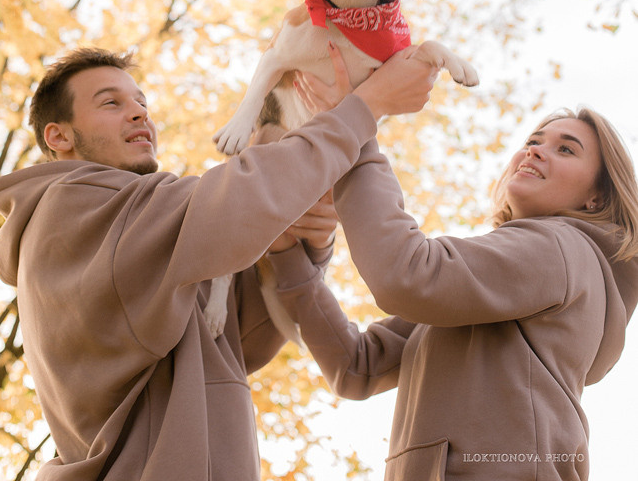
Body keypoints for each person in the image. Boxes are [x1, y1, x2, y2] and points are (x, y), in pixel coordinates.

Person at [0, 44, 436, 481]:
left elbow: (240, 338)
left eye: (140, 101)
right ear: (58, 136)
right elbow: (240, 195)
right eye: (111, 103)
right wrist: (363, 105)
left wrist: (300, 245)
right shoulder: (72, 212)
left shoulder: (131, 243)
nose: (140, 112)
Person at [265, 46, 638, 480]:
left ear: (598, 197)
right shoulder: (494, 283)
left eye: (565, 149)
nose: (534, 151)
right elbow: (357, 366)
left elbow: (405, 273)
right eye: (532, 142)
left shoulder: (561, 249)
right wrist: (287, 255)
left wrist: (357, 132)